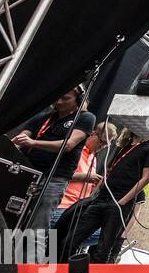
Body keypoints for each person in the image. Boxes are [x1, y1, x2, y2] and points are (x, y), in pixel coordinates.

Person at [12, 87, 97, 253]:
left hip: (54, 179)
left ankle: (31, 272)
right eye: (57, 98)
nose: (59, 102)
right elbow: (20, 139)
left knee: (37, 230)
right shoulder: (43, 118)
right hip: (29, 174)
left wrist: (33, 143)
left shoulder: (85, 118)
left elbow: (68, 145)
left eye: (65, 99)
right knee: (13, 221)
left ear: (78, 100)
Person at [55, 128, 149, 263]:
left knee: (102, 250)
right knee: (71, 240)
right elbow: (108, 173)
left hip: (118, 203)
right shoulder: (124, 146)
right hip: (100, 199)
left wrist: (122, 202)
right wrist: (93, 196)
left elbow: (146, 178)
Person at [53, 120, 118, 223]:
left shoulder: (93, 158)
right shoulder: (75, 150)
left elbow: (87, 187)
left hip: (77, 209)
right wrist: (84, 177)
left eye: (107, 145)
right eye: (102, 141)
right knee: (52, 237)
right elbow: (55, 173)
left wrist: (98, 184)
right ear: (92, 134)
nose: (103, 146)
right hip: (61, 205)